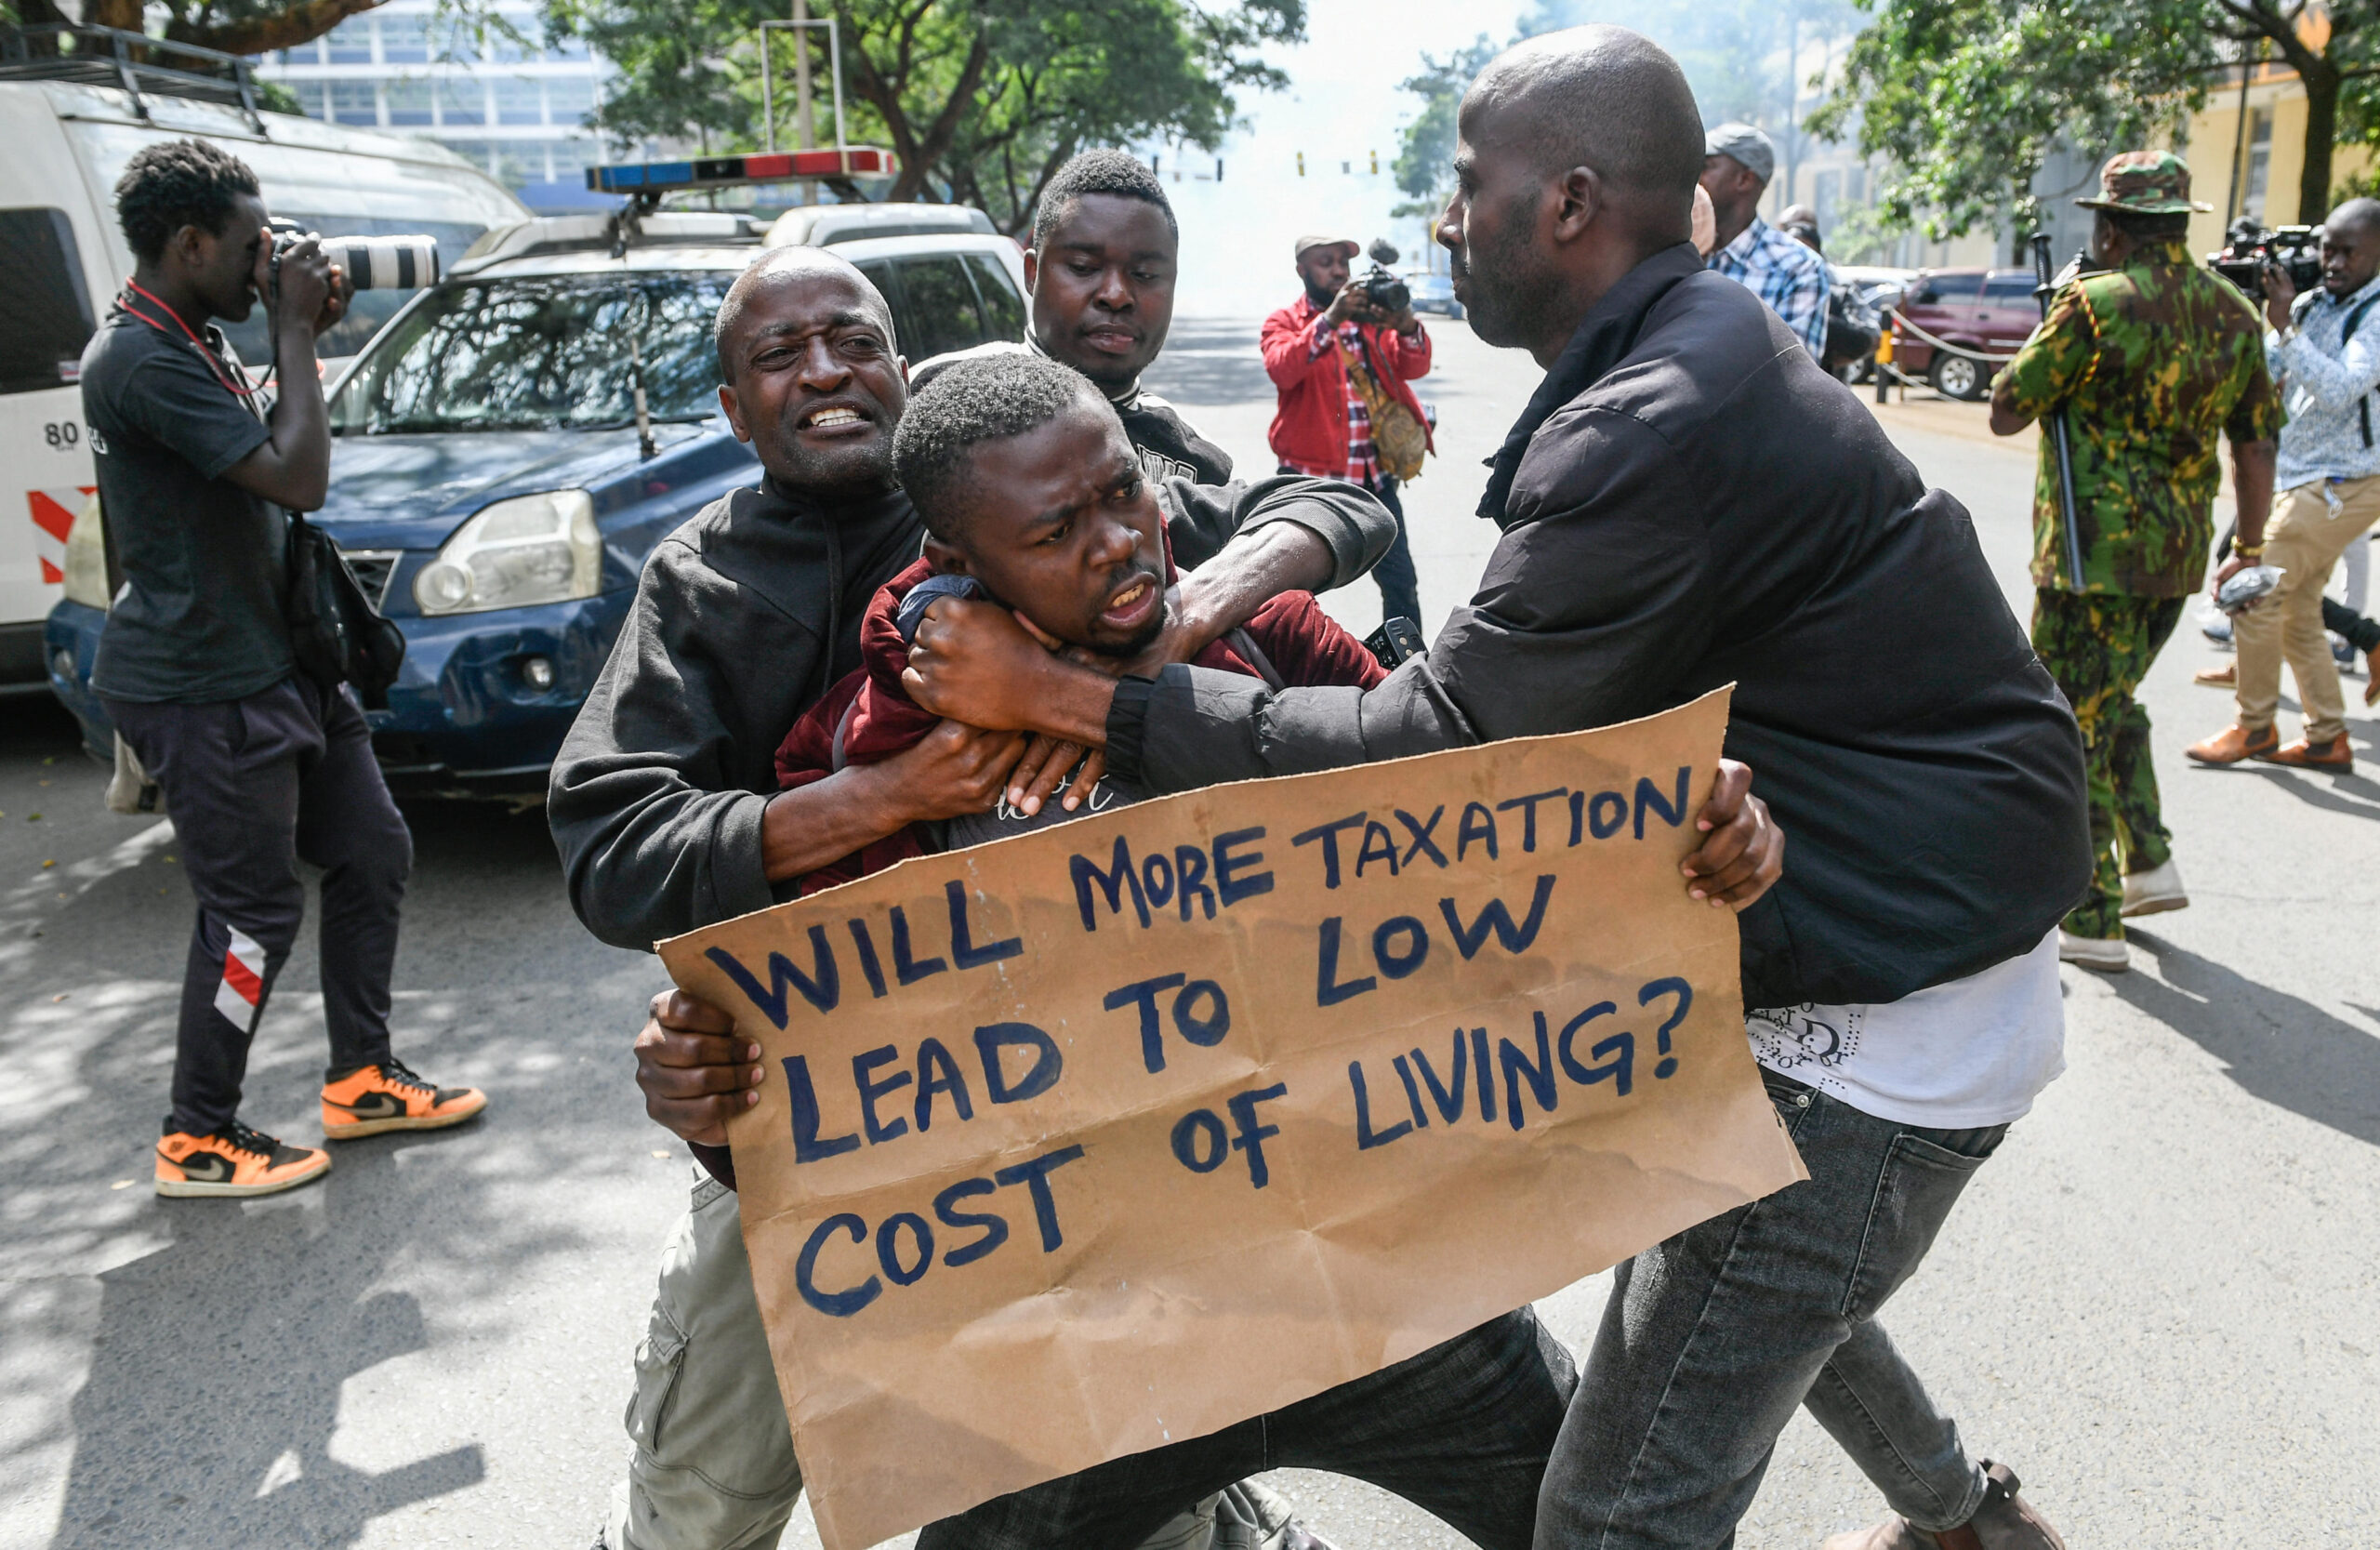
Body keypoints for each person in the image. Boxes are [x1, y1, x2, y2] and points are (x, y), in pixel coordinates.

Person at [900, 25, 2091, 1550]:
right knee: (1713, 1233)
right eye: (1054, 530)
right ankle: (1962, 1515)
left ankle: (1957, 1516)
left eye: (1471, 187)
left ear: (1573, 205)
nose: (1445, 221)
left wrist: (1076, 695)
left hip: (1878, 1017)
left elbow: (1430, 741)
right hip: (1878, 929)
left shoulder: (1651, 416)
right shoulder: (1686, 354)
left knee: (1608, 1511)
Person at [549, 241, 1398, 1550]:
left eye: (854, 339)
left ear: (906, 370)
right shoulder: (697, 585)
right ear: (732, 407)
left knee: (1115, 1464)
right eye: (780, 353)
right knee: (707, 1494)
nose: (825, 370)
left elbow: (1331, 512)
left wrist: (1167, 629)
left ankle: (1217, 1505)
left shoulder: (1025, 470)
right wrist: (876, 798)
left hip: (1096, 1124)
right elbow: (611, 841)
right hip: (815, 1138)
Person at [82, 139, 483, 1200]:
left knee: (372, 850)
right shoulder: (138, 357)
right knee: (253, 912)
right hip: (202, 682)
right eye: (253, 242)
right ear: (190, 241)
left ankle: (361, 1074)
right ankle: (198, 1132)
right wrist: (296, 329)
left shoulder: (197, 334)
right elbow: (297, 478)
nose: (270, 257)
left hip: (282, 663)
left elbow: (268, 453)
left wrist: (301, 332)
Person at [1992, 151, 2281, 971]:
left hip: (2091, 556)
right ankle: (2151, 859)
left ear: (2111, 228)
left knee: (2068, 718)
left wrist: (2056, 322)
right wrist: (2249, 545)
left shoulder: (2093, 303)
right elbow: (2257, 445)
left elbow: (2008, 409)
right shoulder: (2233, 311)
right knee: (2109, 698)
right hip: (2176, 555)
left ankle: (2093, 912)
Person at [2185, 196, 2380, 771]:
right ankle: (2326, 737)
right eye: (2328, 249)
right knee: (2296, 610)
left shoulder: (2374, 314)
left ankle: (2256, 727)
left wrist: (2288, 329)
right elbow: (2266, 371)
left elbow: (2343, 387)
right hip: (2301, 477)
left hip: (2345, 480)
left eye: (2350, 252)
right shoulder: (2314, 303)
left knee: (2255, 592)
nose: (2335, 261)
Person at [1261, 233, 1434, 628]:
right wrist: (1330, 321)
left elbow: (1414, 367)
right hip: (1307, 482)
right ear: (1302, 270)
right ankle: (1293, 676)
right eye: (1326, 262)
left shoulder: (1371, 324)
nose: (1338, 270)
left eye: (1343, 262)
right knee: (1291, 595)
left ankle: (1408, 673)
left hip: (1375, 481)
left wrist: (1406, 324)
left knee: (1401, 583)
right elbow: (1282, 369)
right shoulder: (1284, 321)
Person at [1700, 122, 1830, 359]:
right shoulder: (1679, 252)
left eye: (1706, 167)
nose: (1695, 177)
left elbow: (1791, 377)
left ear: (1744, 180)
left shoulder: (1797, 268)